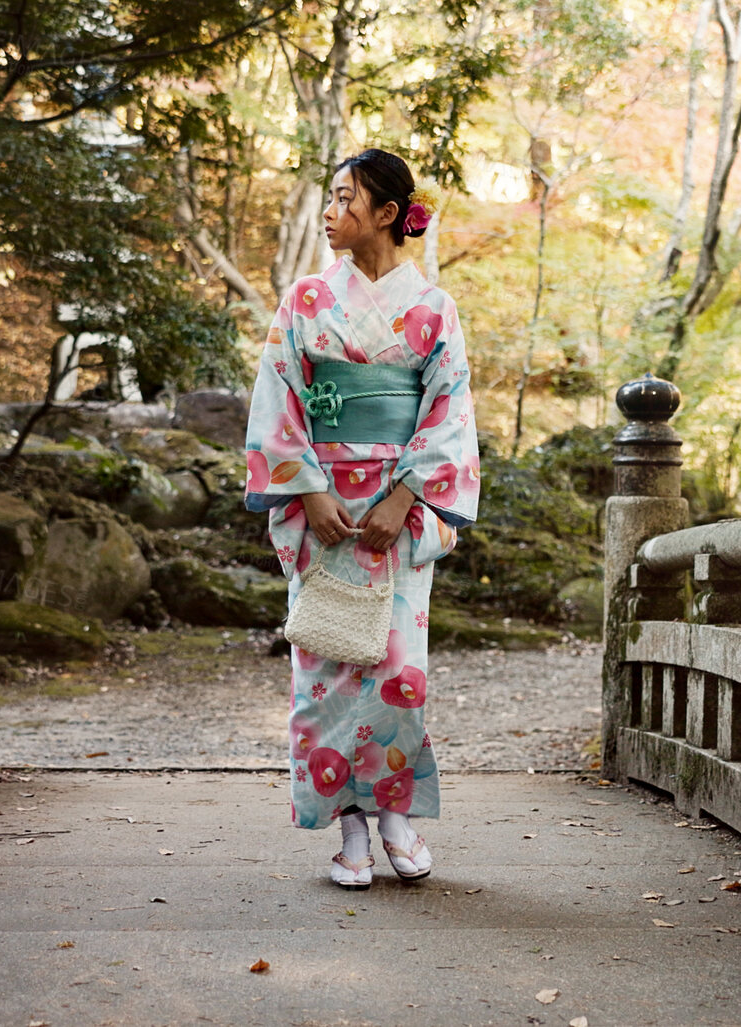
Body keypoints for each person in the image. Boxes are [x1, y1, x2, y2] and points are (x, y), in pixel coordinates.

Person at [242, 148, 481, 890]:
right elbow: (277, 398)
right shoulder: (304, 301)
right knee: (323, 673)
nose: (332, 211)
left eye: (348, 199)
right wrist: (307, 490)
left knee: (397, 673)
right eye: (330, 196)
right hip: (322, 513)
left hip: (399, 516)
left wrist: (406, 496)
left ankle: (395, 816)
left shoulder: (433, 308)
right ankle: (348, 827)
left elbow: (449, 412)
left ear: (386, 213)